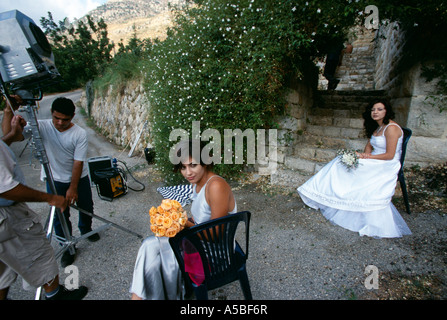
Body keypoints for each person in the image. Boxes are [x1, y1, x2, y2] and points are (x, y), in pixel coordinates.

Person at [0, 101, 88, 300]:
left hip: (76, 179)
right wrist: (51, 198)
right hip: (50, 181)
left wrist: (73, 187)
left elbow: (78, 162)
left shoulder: (79, 133)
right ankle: (67, 249)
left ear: (72, 117)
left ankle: (86, 231)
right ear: (51, 114)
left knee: (85, 207)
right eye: (56, 118)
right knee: (55, 222)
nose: (59, 123)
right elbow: (11, 138)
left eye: (64, 120)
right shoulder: (43, 125)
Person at [129, 139, 237, 300]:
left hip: (216, 254)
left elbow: (216, 235)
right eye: (183, 167)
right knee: (151, 246)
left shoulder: (216, 186)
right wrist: (172, 221)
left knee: (154, 249)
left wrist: (183, 223)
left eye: (193, 165)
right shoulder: (197, 184)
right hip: (200, 242)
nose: (188, 173)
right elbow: (200, 218)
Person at [297, 99, 412, 238]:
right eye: (373, 109)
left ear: (387, 111)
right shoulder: (378, 127)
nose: (375, 112)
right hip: (375, 159)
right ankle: (329, 194)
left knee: (342, 164)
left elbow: (389, 155)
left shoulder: (391, 128)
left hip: (386, 164)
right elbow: (370, 145)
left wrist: (366, 157)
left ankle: (336, 194)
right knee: (341, 162)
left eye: (379, 109)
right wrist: (364, 155)